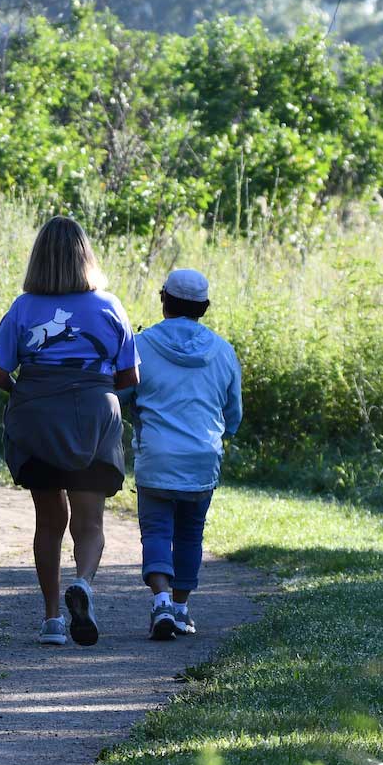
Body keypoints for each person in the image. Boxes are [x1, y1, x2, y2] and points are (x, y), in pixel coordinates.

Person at [0, 217, 137, 647]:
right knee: (89, 523)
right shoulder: (109, 306)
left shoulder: (23, 307)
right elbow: (130, 377)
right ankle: (84, 585)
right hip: (93, 415)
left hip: (37, 416)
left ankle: (52, 618)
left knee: (49, 521)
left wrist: (25, 393)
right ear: (85, 254)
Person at [132, 268, 242, 640]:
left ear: (164, 301)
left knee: (158, 529)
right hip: (201, 458)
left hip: (157, 456)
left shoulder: (141, 346)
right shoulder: (223, 351)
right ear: (205, 307)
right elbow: (233, 414)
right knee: (191, 533)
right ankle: (180, 608)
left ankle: (161, 601)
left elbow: (125, 396)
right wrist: (219, 434)